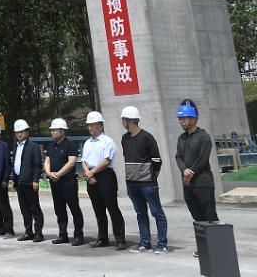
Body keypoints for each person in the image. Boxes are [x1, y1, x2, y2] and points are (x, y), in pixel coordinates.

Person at [120, 105, 166, 254]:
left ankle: (162, 244)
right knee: (140, 213)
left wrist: (152, 177)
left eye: (123, 119)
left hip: (148, 184)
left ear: (129, 120)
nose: (122, 122)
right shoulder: (124, 139)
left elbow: (157, 161)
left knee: (156, 212)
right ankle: (145, 242)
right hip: (132, 183)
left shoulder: (147, 137)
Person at [176, 99, 218, 258]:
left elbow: (203, 159)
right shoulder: (181, 138)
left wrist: (190, 172)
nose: (181, 121)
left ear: (193, 119)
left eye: (184, 118)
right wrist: (184, 170)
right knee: (198, 217)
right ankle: (205, 248)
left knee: (209, 216)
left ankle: (217, 246)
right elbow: (178, 157)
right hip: (188, 185)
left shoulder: (204, 136)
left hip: (203, 183)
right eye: (180, 118)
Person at [81, 111, 126, 250]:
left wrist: (91, 173)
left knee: (112, 208)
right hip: (91, 175)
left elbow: (107, 161)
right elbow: (83, 160)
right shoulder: (87, 143)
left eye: (92, 125)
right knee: (98, 210)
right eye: (88, 125)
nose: (90, 128)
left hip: (105, 176)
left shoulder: (108, 141)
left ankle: (120, 239)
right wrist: (89, 174)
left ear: (100, 125)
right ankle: (102, 238)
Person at [43, 118, 84, 246]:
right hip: (55, 182)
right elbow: (47, 161)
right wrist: (49, 173)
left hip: (67, 181)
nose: (52, 133)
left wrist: (58, 174)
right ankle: (63, 235)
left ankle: (78, 235)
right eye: (51, 130)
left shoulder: (70, 144)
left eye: (54, 130)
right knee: (59, 209)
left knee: (74, 208)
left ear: (62, 131)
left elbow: (71, 162)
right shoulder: (51, 145)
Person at [9, 120, 44, 242]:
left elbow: (38, 165)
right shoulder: (15, 146)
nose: (19, 134)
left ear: (27, 133)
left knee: (35, 208)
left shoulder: (33, 147)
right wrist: (14, 179)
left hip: (30, 182)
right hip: (20, 182)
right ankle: (28, 232)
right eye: (17, 132)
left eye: (21, 132)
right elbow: (15, 164)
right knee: (24, 209)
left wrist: (35, 180)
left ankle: (39, 233)